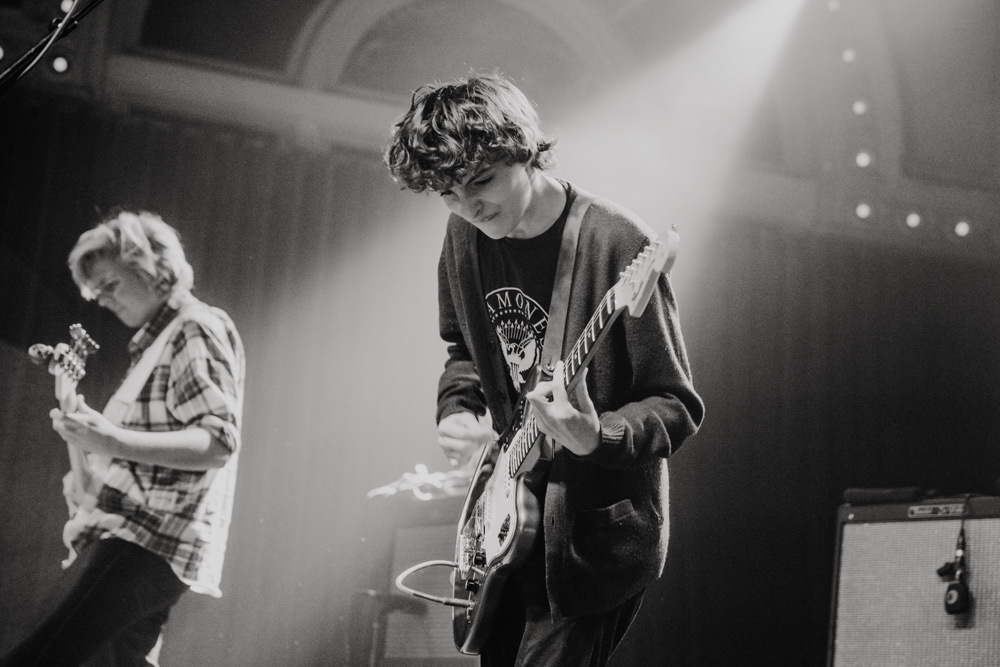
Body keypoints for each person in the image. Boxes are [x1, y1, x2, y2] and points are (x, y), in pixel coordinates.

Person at [384, 73, 705, 666]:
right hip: (505, 522)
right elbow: (463, 352)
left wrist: (594, 435)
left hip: (590, 538)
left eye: (482, 182)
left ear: (525, 150)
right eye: (448, 194)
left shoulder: (617, 242)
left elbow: (676, 406)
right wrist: (461, 411)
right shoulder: (463, 237)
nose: (469, 207)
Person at [1, 211, 245, 667]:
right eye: (95, 293)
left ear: (154, 267)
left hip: (145, 541)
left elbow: (217, 442)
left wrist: (111, 440)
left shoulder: (194, 326)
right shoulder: (155, 346)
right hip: (149, 545)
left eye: (109, 285)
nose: (102, 301)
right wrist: (92, 454)